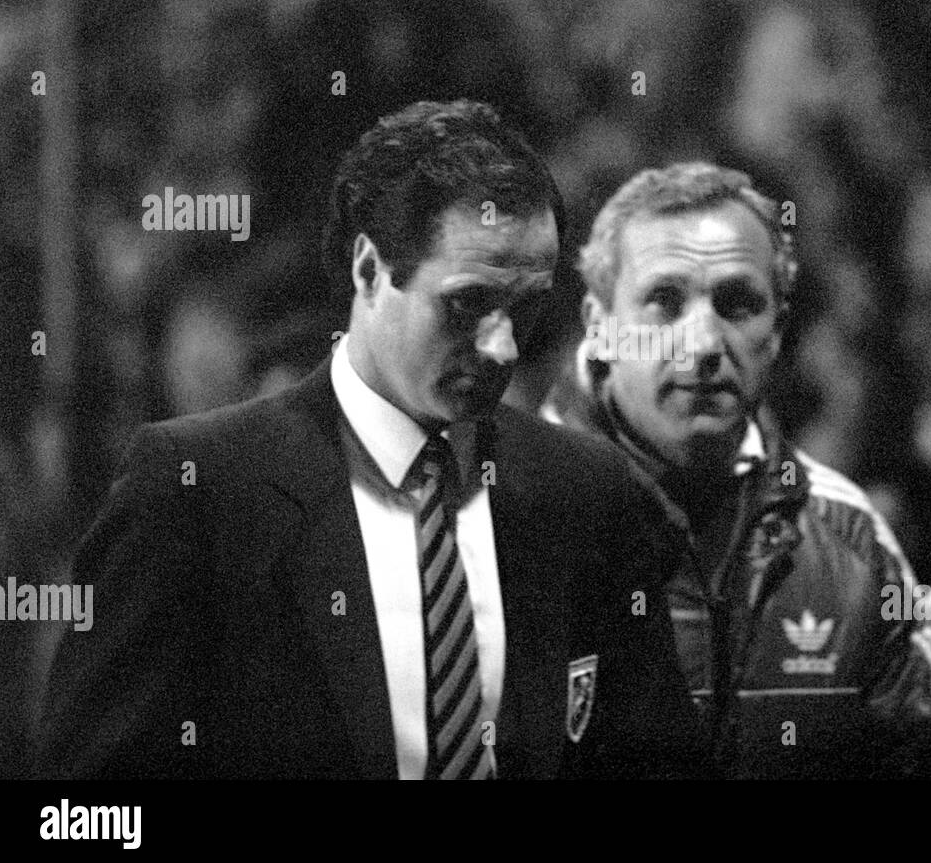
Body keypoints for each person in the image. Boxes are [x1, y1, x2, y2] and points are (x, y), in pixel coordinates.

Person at [37, 99, 702, 780]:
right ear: (367, 271)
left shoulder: (588, 493)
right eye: (468, 303)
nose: (502, 347)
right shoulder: (195, 492)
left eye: (527, 305)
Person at [542, 161, 931, 778]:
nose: (705, 344)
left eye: (738, 304)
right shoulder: (501, 516)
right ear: (598, 329)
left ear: (778, 332)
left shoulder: (850, 541)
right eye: (664, 301)